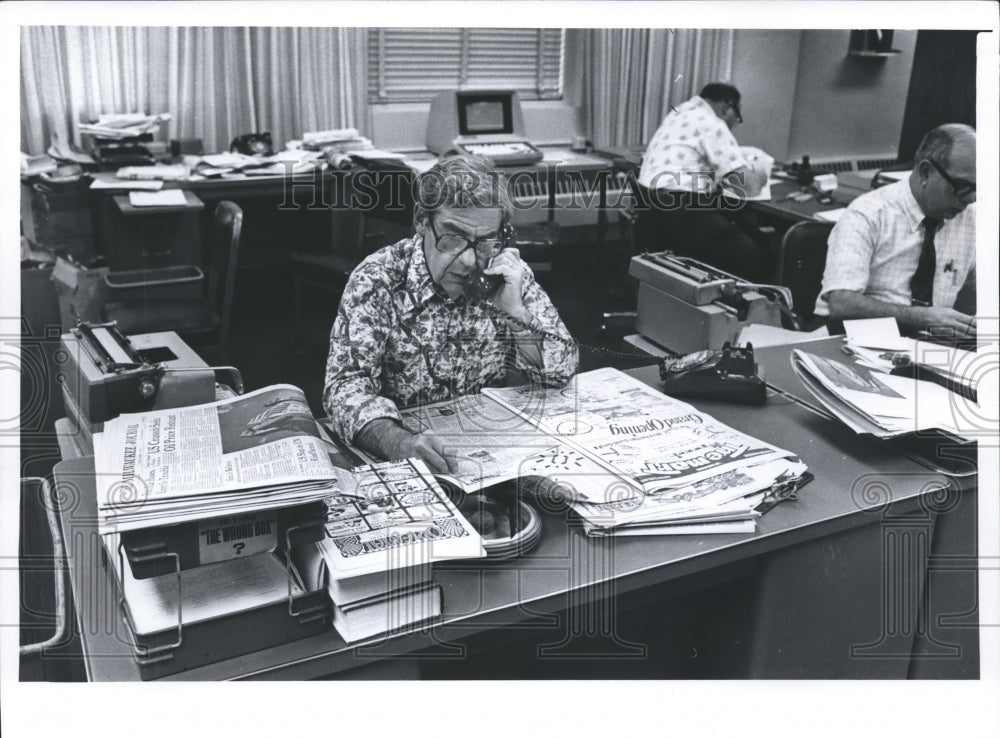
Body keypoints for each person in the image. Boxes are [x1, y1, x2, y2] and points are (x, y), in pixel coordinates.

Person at [323, 154, 579, 473]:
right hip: (413, 453)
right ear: (421, 220)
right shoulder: (379, 279)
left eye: (485, 241)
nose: (468, 261)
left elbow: (560, 371)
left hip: (490, 451)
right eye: (453, 238)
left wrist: (516, 316)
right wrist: (398, 442)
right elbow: (345, 389)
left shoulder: (507, 273)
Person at [815, 123, 977, 338]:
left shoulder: (972, 218)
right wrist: (922, 317)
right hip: (854, 337)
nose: (971, 199)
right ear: (926, 172)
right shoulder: (868, 214)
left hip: (926, 344)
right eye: (962, 186)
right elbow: (841, 303)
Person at [635, 82, 772, 281]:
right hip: (680, 211)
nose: (733, 126)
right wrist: (760, 170)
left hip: (649, 210)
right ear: (727, 106)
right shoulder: (711, 122)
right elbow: (748, 187)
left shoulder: (678, 113)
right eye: (737, 118)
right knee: (756, 257)